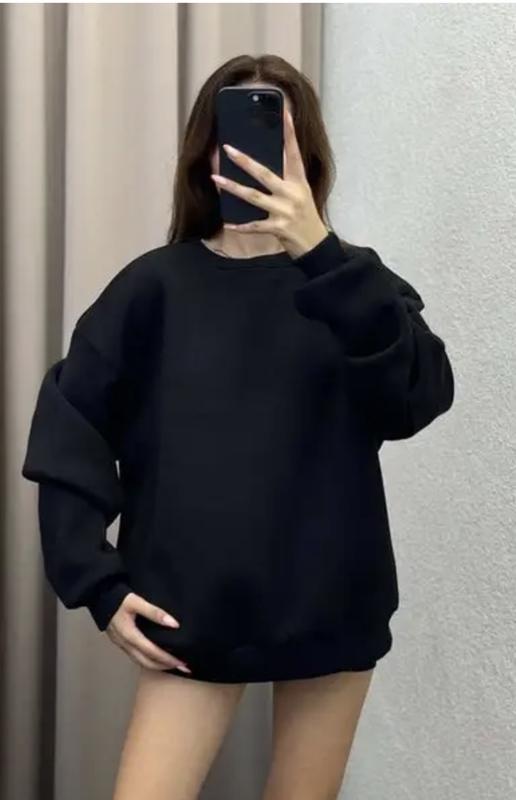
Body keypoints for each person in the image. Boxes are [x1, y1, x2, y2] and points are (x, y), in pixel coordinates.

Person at [21, 54, 454, 800]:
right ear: (206, 152)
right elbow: (70, 425)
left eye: (275, 138)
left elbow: (415, 399)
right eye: (237, 136)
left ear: (306, 154)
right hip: (190, 610)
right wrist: (94, 582)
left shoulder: (355, 282)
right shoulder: (154, 288)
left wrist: (320, 253)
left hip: (332, 603)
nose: (252, 158)